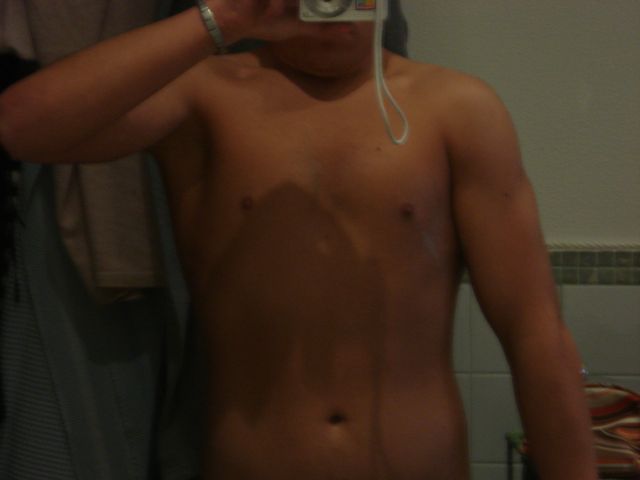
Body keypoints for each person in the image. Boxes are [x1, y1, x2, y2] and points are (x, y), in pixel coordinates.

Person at [0, 1, 598, 478]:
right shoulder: (205, 95)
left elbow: (536, 334)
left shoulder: (457, 110)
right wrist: (225, 17)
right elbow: (17, 127)